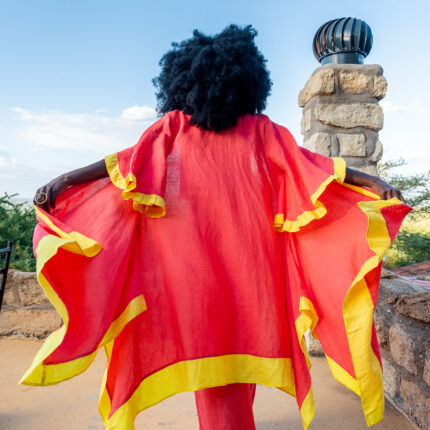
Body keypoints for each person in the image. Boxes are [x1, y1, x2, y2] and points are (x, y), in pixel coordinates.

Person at [24, 25, 410, 430]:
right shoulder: (200, 129)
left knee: (229, 363)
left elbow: (312, 166)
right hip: (239, 275)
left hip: (215, 276)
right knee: (231, 363)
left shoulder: (238, 131)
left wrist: (66, 180)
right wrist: (371, 181)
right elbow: (123, 163)